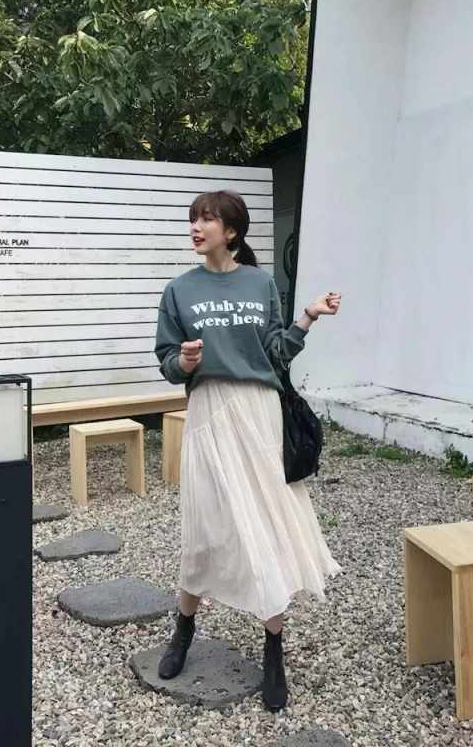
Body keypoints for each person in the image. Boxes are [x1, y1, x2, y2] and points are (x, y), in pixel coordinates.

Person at [153, 189, 342, 713]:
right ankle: (184, 629)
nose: (196, 228)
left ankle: (273, 648)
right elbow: (166, 360)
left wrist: (307, 317)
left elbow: (276, 353)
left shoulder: (260, 283)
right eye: (193, 219)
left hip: (259, 414)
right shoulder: (179, 290)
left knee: (264, 527)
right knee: (204, 525)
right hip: (209, 413)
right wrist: (184, 363)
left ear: (232, 231)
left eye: (206, 220)